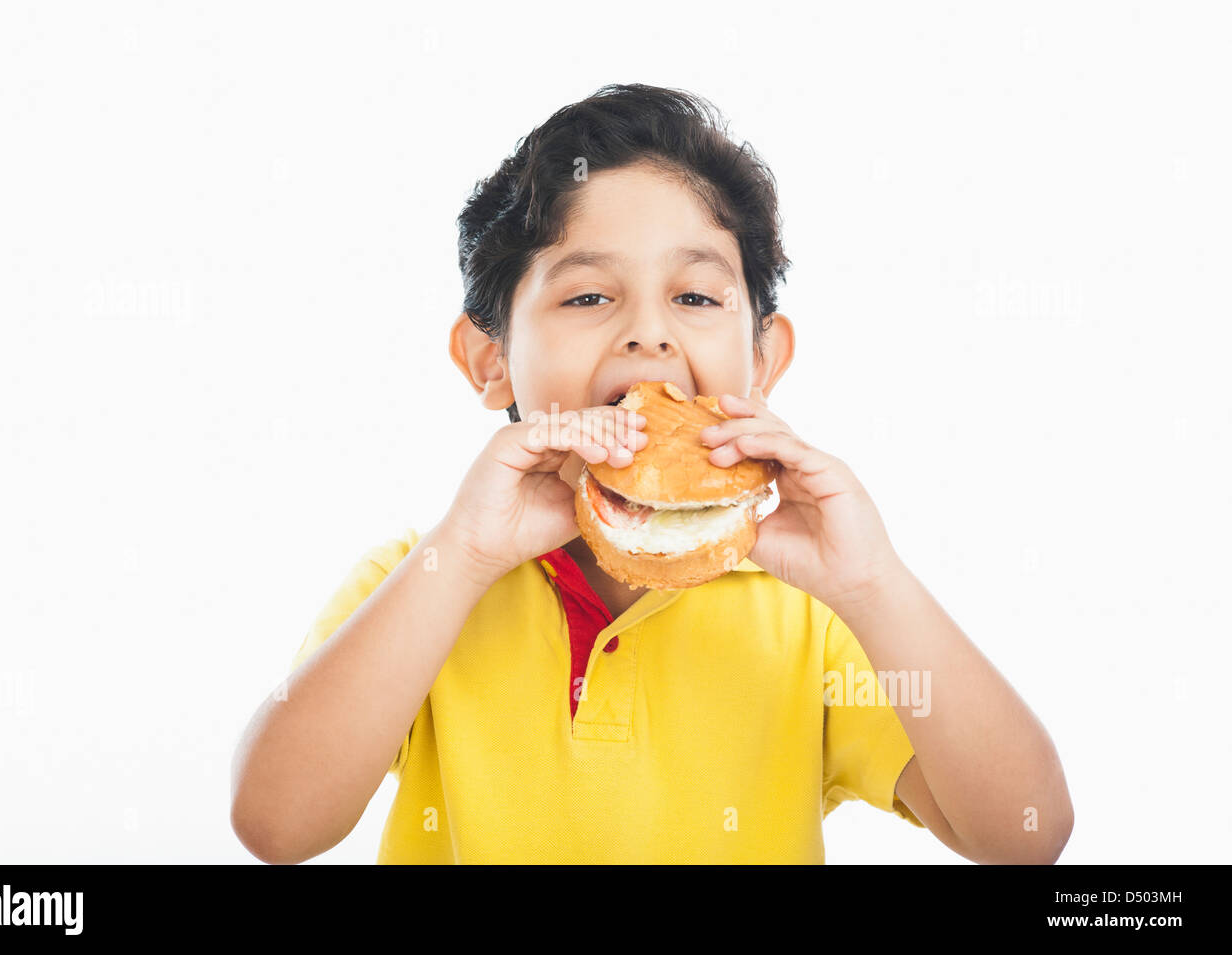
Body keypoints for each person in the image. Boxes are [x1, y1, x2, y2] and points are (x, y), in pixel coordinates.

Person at [230, 83, 1073, 864]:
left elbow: (1025, 832)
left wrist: (874, 581)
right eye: (588, 297)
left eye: (696, 298)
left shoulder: (816, 613)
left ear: (762, 360)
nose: (647, 334)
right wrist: (467, 555)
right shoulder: (424, 578)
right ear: (491, 362)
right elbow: (276, 823)